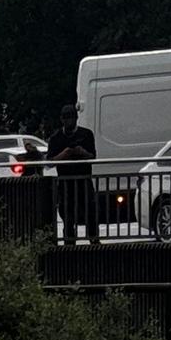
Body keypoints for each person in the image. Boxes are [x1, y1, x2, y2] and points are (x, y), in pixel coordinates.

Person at [46, 104, 99, 245]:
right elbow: (50, 162)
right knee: (67, 214)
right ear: (61, 120)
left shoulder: (86, 134)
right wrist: (64, 154)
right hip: (65, 182)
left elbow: (93, 157)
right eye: (66, 118)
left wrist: (82, 152)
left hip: (84, 179)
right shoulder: (56, 138)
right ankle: (69, 242)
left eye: (71, 118)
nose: (68, 121)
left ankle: (94, 239)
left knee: (90, 212)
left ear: (76, 118)